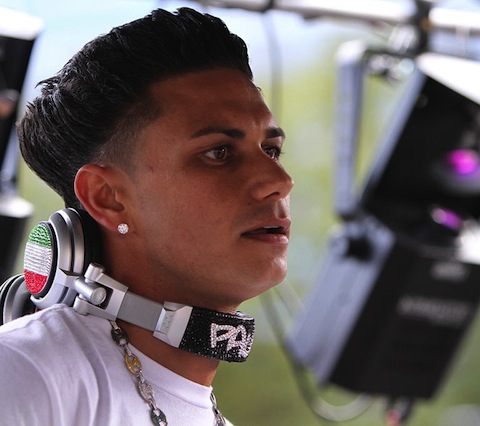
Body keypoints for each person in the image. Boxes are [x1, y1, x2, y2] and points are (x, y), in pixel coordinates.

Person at [0, 7, 293, 425]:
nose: (279, 181)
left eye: (271, 150)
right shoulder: (23, 372)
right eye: (218, 153)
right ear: (108, 198)